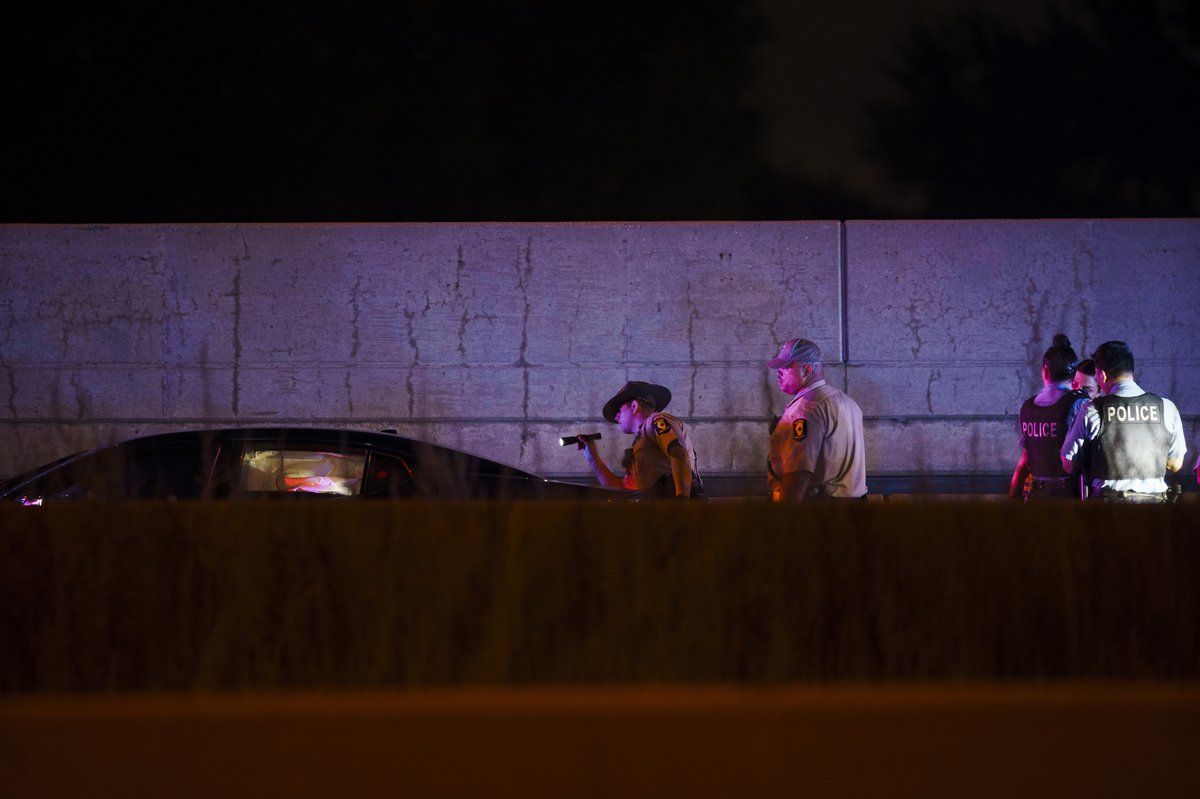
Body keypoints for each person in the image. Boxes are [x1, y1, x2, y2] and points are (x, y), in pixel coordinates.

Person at [1060, 340, 1187, 502]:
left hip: (1109, 509)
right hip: (1155, 510)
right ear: (1130, 369)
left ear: (1102, 375)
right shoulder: (1166, 408)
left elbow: (1068, 464)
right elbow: (1175, 465)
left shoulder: (1092, 410)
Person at [765, 338, 867, 501]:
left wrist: (782, 520)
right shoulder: (849, 403)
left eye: (786, 367)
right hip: (854, 510)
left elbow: (798, 473)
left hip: (820, 511)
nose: (779, 372)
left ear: (806, 370)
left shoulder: (805, 409)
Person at [575, 380, 705, 499]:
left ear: (634, 406)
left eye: (620, 410)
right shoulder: (641, 442)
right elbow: (621, 489)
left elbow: (678, 453)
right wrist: (591, 456)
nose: (616, 417)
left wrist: (682, 501)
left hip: (673, 514)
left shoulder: (656, 420)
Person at [1009, 334, 1090, 501]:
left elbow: (1025, 458)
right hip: (1071, 495)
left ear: (1045, 370)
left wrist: (1012, 496)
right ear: (1074, 374)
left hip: (1037, 495)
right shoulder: (1080, 403)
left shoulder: (1028, 407)